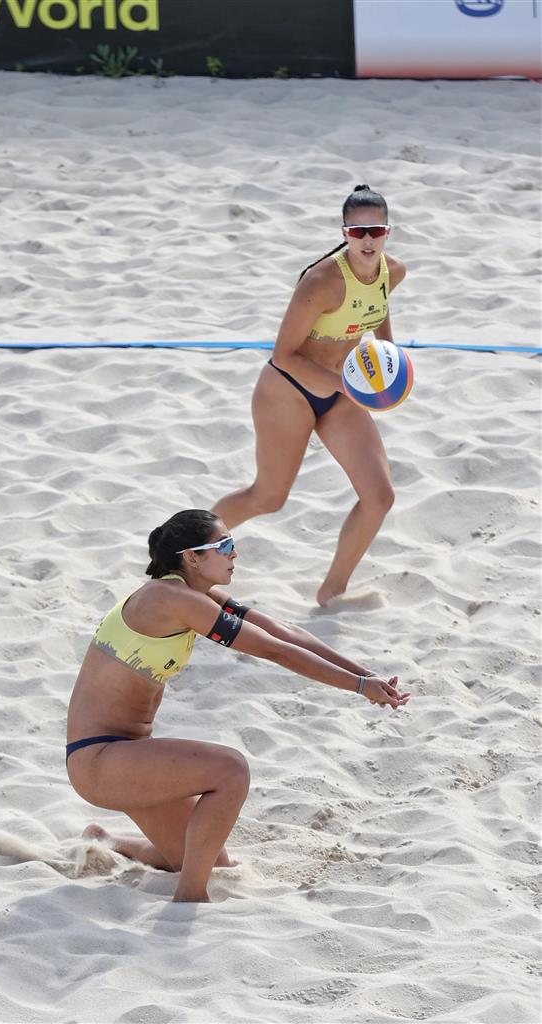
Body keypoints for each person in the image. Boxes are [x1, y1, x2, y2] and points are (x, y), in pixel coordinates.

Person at [66, 509, 409, 903]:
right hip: (100, 760)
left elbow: (283, 632)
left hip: (127, 757)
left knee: (211, 861)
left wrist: (366, 675)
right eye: (224, 545)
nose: (234, 553)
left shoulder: (193, 593)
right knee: (231, 770)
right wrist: (360, 687)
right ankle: (190, 898)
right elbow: (274, 651)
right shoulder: (172, 599)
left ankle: (109, 842)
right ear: (192, 557)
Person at [212, 185, 407, 607]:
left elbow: (377, 308)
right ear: (344, 233)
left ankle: (332, 591)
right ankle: (183, 551)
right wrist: (348, 386)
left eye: (375, 230)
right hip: (289, 390)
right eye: (357, 232)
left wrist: (390, 363)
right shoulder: (321, 282)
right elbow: (283, 355)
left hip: (340, 391)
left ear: (388, 231)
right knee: (268, 497)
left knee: (379, 497)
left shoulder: (393, 271)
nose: (367, 239)